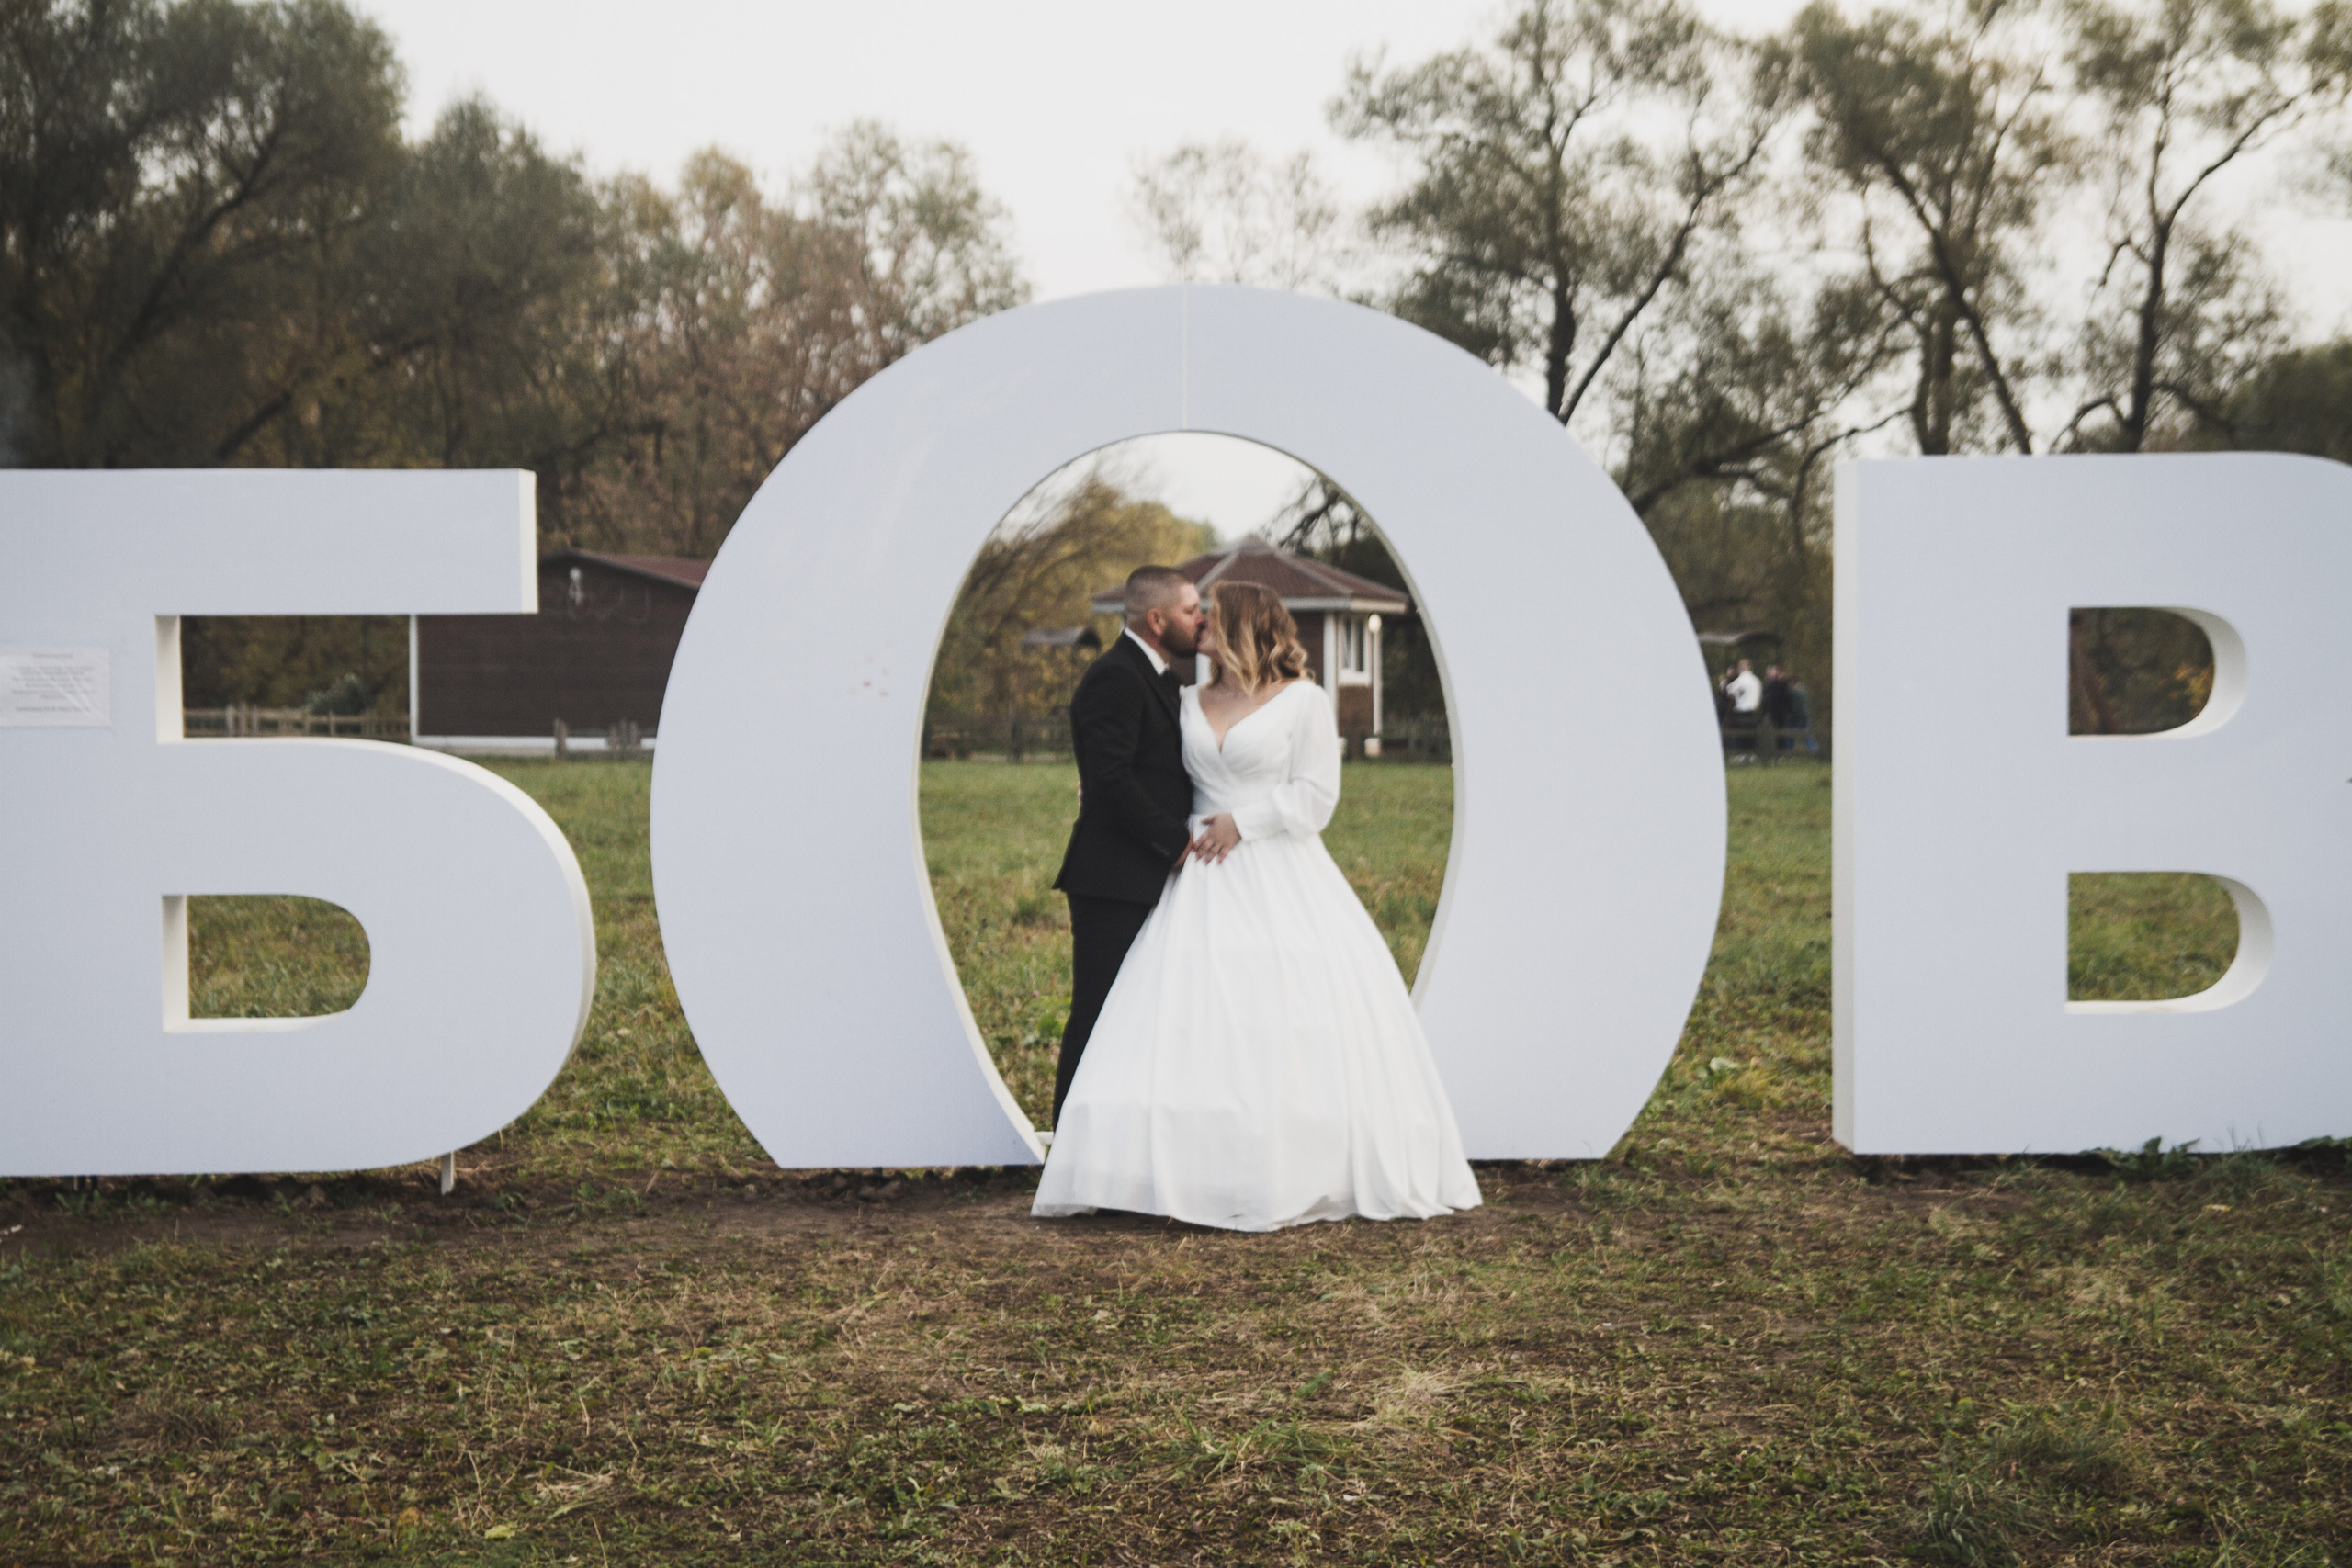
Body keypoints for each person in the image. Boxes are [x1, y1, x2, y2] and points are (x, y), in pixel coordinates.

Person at [1035, 581, 1482, 1232]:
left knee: (1279, 1014)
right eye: (1197, 614)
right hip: (1194, 875)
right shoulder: (1184, 698)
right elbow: (1140, 764)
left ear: (1245, 626)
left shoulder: (1304, 701)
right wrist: (1099, 787)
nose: (1201, 625)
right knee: (1182, 1015)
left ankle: (1288, 1162)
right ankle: (1175, 1165)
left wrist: (1244, 824)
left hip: (1275, 865)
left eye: (1212, 616)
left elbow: (1317, 796)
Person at [1049, 565, 1204, 1126]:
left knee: (1136, 1018)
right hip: (1113, 879)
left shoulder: (1161, 677)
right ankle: (1069, 1144)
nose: (1201, 619)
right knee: (1098, 1015)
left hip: (1146, 875)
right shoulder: (1115, 676)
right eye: (1191, 610)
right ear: (1157, 619)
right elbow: (1110, 780)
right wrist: (1177, 842)